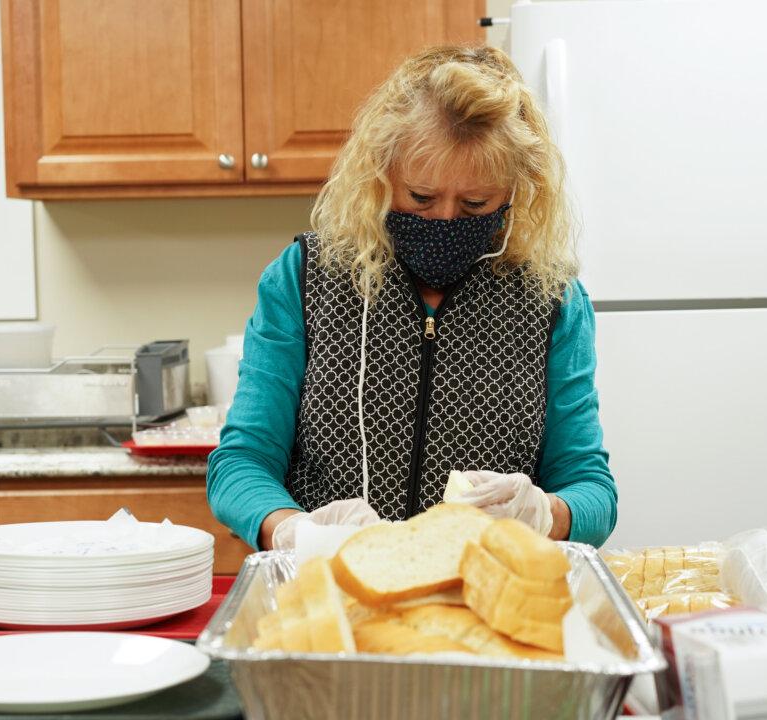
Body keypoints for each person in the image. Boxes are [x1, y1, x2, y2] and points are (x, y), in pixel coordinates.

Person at [207, 45, 616, 552]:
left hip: (481, 599)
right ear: (381, 173)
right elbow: (240, 463)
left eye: (475, 203)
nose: (444, 220)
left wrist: (545, 513)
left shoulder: (550, 300)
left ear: (515, 192)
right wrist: (291, 528)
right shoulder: (305, 278)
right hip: (330, 589)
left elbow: (593, 491)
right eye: (420, 197)